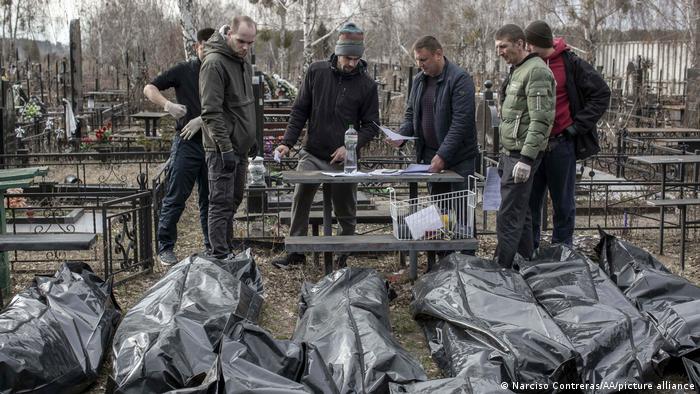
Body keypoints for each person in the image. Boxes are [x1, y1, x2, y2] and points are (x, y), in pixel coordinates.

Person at [272, 22, 379, 269]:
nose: (351, 63)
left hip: (346, 158)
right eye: (347, 57)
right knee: (301, 193)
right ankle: (297, 251)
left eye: (356, 58)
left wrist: (349, 148)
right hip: (314, 151)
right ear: (338, 52)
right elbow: (300, 110)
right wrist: (287, 143)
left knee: (346, 208)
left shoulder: (367, 85)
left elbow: (372, 125)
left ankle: (343, 254)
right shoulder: (316, 72)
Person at [524, 20, 611, 249]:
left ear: (537, 43)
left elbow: (601, 93)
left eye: (529, 44)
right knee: (530, 203)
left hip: (561, 143)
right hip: (533, 145)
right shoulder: (526, 65)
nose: (526, 48)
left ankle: (561, 252)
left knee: (563, 204)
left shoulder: (570, 63)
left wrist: (576, 126)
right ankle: (530, 250)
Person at [394, 35, 478, 242]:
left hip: (459, 158)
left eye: (423, 60)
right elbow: (412, 113)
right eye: (417, 60)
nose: (419, 65)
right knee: (440, 212)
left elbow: (461, 122)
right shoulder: (419, 80)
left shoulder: (459, 79)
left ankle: (467, 261)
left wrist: (443, 155)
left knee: (462, 215)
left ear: (438, 54)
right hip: (431, 156)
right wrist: (401, 135)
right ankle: (442, 262)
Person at [144, 27, 215, 266]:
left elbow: (229, 107)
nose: (208, 50)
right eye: (205, 46)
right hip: (187, 142)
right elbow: (149, 88)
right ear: (198, 47)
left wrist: (203, 121)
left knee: (210, 198)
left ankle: (212, 246)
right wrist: (168, 106)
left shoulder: (220, 71)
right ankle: (165, 247)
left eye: (213, 46)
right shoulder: (184, 70)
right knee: (176, 195)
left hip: (213, 143)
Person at [494, 24, 555, 268]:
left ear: (520, 44)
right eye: (497, 47)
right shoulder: (519, 69)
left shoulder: (536, 71)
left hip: (521, 155)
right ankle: (525, 264)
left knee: (508, 215)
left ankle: (503, 268)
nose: (500, 52)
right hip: (512, 153)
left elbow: (541, 119)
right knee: (523, 214)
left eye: (503, 46)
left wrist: (527, 159)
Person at [199, 16, 257, 260]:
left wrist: (251, 137)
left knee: (233, 201)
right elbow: (211, 112)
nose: (245, 47)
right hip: (221, 149)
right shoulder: (214, 63)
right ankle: (219, 256)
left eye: (250, 43)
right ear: (229, 34)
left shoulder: (243, 62)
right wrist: (225, 149)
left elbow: (245, 105)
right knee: (220, 203)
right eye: (241, 41)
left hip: (240, 148)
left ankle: (226, 250)